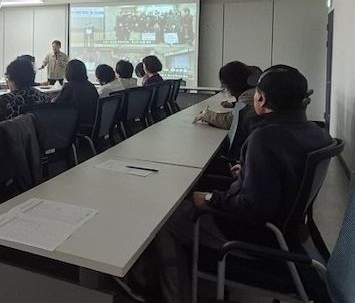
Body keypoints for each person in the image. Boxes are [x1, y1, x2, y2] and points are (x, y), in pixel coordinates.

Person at [139, 65, 333, 302]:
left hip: (255, 233)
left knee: (166, 220)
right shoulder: (317, 132)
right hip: (288, 232)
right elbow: (287, 175)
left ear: (261, 99)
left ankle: (174, 296)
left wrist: (209, 198)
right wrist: (250, 172)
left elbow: (251, 207)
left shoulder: (265, 138)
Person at [193, 61, 256, 129]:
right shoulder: (251, 92)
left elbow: (230, 121)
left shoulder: (249, 95)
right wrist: (233, 104)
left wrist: (206, 115)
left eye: (226, 84)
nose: (226, 88)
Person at [55, 60, 99, 133]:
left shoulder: (69, 87)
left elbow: (56, 105)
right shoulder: (91, 86)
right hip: (91, 124)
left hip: (76, 125)